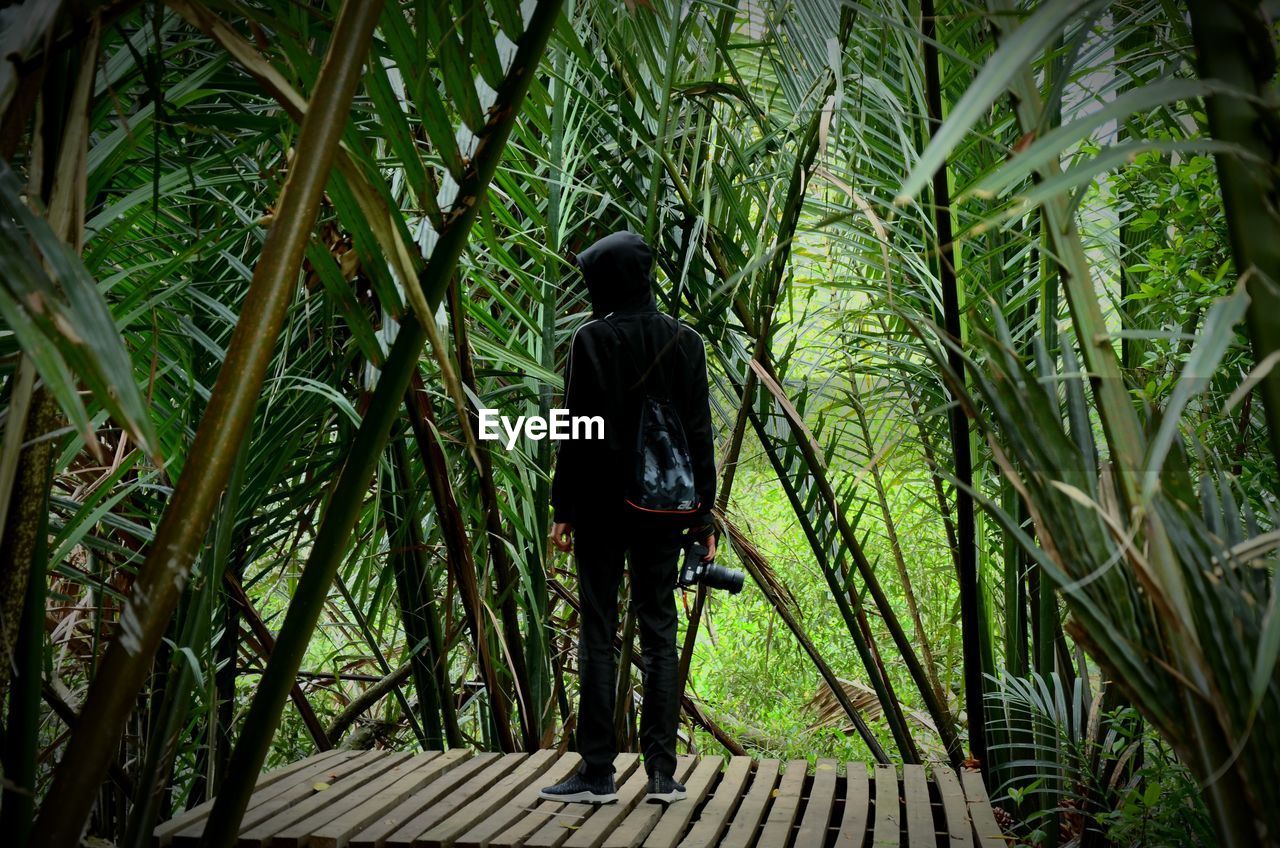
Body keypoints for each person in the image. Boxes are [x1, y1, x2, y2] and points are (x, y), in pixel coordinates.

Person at [538, 231, 717, 805]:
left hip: (600, 511)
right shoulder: (686, 342)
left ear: (609, 280)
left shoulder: (592, 339)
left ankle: (597, 772)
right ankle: (663, 774)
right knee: (659, 633)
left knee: (599, 633)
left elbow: (574, 432)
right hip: (663, 511)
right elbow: (698, 436)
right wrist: (703, 519)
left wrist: (563, 510)